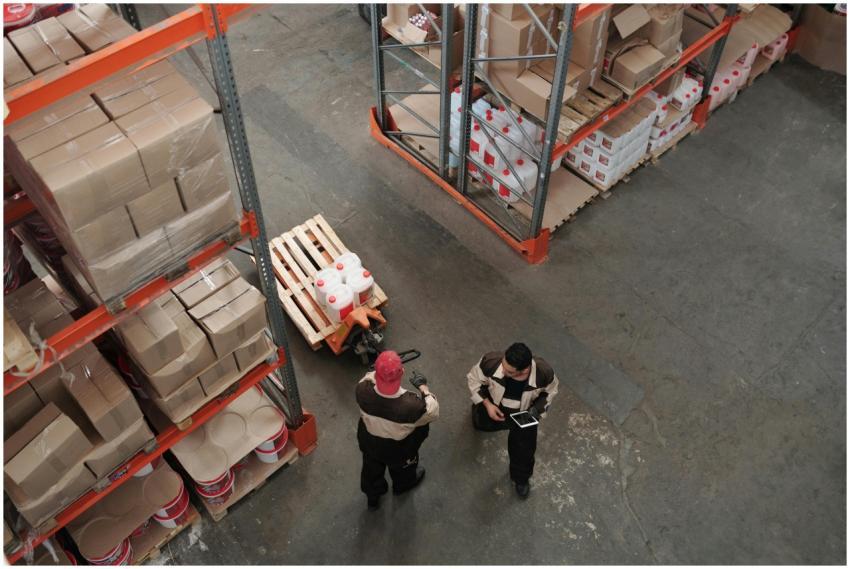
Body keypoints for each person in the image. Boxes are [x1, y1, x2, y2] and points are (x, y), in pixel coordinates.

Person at [467, 342, 559, 498]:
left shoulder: (544, 373)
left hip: (525, 414)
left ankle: (520, 478)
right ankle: (481, 419)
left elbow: (550, 393)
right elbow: (474, 379)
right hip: (494, 405)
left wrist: (535, 412)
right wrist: (487, 405)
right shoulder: (491, 362)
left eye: (509, 371)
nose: (502, 371)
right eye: (503, 365)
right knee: (481, 422)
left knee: (524, 449)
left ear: (525, 370)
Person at [356, 350, 439, 511]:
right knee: (404, 469)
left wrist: (381, 369)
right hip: (398, 449)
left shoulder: (362, 389)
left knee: (371, 469)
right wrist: (423, 388)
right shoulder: (412, 406)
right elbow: (433, 411)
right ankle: (402, 486)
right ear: (402, 372)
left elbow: (369, 376)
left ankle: (373, 496)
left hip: (369, 442)